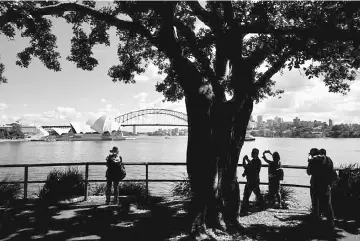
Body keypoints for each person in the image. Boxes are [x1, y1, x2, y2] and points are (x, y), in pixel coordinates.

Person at [307, 148, 335, 230]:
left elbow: (309, 172)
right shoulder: (329, 159)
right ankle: (331, 223)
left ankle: (316, 223)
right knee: (328, 204)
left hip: (315, 185)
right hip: (326, 185)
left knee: (315, 203)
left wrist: (309, 161)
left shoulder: (313, 160)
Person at [241, 148, 264, 213]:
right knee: (246, 195)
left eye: (253, 153)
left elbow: (252, 166)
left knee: (257, 194)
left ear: (257, 154)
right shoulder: (252, 161)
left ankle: (261, 206)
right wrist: (243, 160)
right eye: (252, 153)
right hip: (249, 180)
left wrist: (246, 159)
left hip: (254, 181)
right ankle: (245, 208)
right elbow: (246, 166)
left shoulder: (258, 161)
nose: (252, 154)